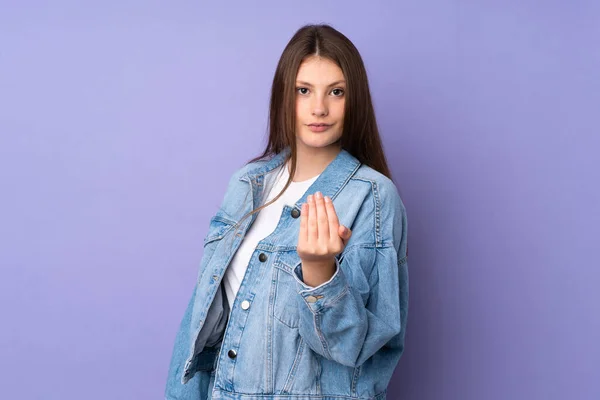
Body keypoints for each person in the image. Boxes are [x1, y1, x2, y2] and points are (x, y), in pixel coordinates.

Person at [165, 23, 409, 400]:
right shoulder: (248, 184)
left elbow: (356, 350)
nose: (319, 108)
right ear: (284, 96)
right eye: (303, 90)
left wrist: (319, 274)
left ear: (354, 99)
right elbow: (201, 320)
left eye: (336, 92)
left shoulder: (374, 198)